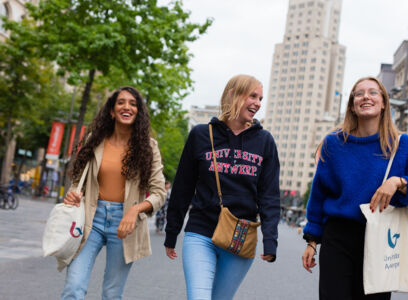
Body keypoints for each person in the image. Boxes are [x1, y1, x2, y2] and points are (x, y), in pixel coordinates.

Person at [301, 76, 408, 300]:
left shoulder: (402, 144)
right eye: (359, 93)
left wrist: (398, 183)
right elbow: (318, 196)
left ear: (383, 102)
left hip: (381, 240)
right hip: (338, 237)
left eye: (373, 92)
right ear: (352, 105)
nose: (366, 96)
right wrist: (312, 242)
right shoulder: (333, 144)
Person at [164, 74, 280, 300]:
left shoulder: (265, 141)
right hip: (201, 233)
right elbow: (182, 187)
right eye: (252, 96)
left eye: (260, 98)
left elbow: (269, 195)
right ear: (233, 94)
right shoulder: (200, 134)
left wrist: (270, 240)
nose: (257, 103)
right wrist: (172, 232)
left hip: (240, 236)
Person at [61, 86, 166, 299]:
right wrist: (72, 194)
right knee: (74, 288)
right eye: (121, 102)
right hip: (90, 219)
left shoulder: (148, 146)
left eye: (133, 103)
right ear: (112, 110)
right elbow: (78, 181)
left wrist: (135, 210)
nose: (126, 107)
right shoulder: (94, 140)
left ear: (138, 112)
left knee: (111, 293)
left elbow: (158, 193)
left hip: (125, 224)